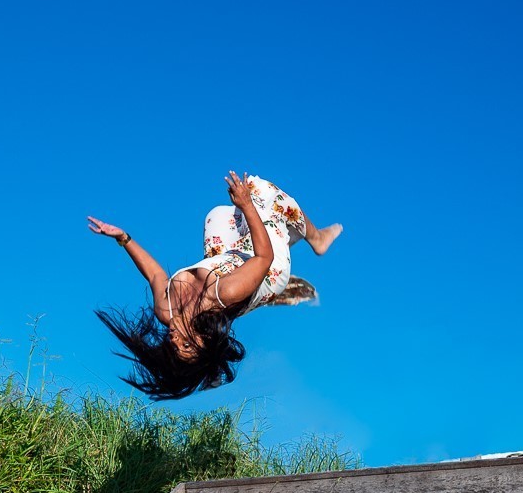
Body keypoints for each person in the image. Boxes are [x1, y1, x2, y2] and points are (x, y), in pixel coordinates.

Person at [88, 171, 342, 400]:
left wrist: (123, 238)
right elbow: (263, 258)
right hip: (268, 270)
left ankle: (277, 232)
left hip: (229, 260)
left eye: (173, 347)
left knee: (219, 215)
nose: (175, 339)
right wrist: (246, 204)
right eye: (187, 345)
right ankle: (316, 238)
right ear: (204, 338)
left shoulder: (166, 310)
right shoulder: (223, 294)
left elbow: (155, 275)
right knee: (260, 192)